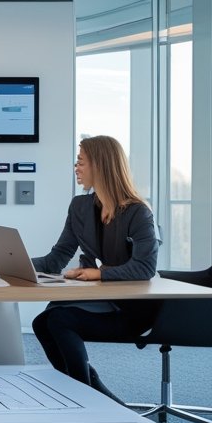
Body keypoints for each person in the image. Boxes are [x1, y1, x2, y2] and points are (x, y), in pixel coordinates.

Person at [30, 135, 160, 401]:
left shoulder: (139, 212)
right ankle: (90, 390)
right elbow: (56, 259)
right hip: (100, 300)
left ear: (101, 165)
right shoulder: (80, 207)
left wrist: (99, 273)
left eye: (81, 162)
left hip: (132, 308)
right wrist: (12, 263)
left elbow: (145, 267)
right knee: (42, 322)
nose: (76, 168)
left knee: (58, 319)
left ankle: (84, 396)